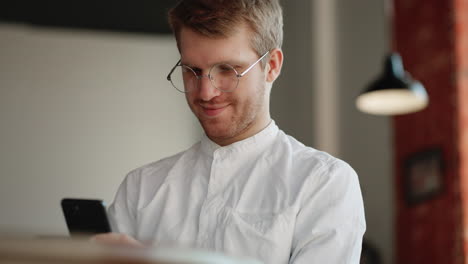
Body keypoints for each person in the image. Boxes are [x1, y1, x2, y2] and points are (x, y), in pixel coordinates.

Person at [94, 0, 366, 263]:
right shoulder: (141, 188)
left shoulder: (324, 184)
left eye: (227, 70)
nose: (206, 92)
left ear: (271, 65)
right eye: (193, 70)